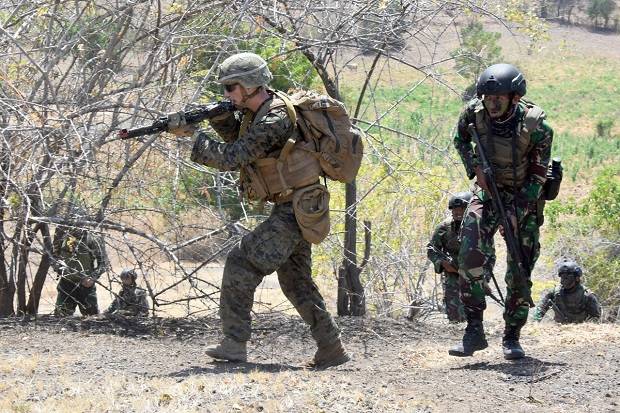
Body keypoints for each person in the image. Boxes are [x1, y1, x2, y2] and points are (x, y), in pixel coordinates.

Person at [169, 52, 349, 368]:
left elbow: (235, 156)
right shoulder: (259, 112)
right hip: (295, 205)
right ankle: (331, 347)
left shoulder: (275, 117)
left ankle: (234, 344)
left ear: (251, 84)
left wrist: (194, 138)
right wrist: (221, 118)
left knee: (241, 262)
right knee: (296, 282)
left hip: (296, 208)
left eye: (231, 87)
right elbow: (246, 143)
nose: (226, 94)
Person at [449, 63, 554, 359]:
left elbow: (539, 173)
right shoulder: (474, 112)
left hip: (523, 196)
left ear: (515, 98)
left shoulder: (537, 127)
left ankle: (512, 336)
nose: (491, 103)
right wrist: (475, 169)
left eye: (499, 98)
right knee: (469, 253)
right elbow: (460, 141)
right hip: (487, 192)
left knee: (519, 269)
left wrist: (520, 208)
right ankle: (473, 330)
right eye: (487, 97)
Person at [427, 192, 499, 323]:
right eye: (454, 209)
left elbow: (490, 255)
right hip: (453, 277)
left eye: (461, 209)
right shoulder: (443, 228)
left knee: (475, 312)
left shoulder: (480, 228)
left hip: (475, 276)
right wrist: (442, 263)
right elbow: (431, 250)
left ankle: (474, 331)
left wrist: (484, 278)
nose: (457, 212)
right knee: (455, 317)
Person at [52, 225, 108, 316]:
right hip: (66, 284)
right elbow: (53, 257)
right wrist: (59, 269)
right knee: (61, 317)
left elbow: (104, 263)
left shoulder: (93, 238)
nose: (75, 226)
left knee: (92, 318)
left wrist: (92, 278)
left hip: (86, 285)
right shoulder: (62, 235)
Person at [533, 261, 601, 323]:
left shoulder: (587, 295)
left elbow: (595, 318)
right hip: (558, 330)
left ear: (576, 278)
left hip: (581, 332)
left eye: (566, 278)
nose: (562, 281)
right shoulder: (555, 293)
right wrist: (535, 323)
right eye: (562, 278)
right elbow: (541, 308)